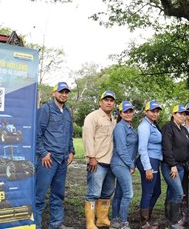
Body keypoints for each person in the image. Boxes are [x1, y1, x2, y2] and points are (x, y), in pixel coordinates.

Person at [35, 81, 75, 229]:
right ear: (54, 93)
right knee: (40, 195)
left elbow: (70, 134)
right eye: (61, 92)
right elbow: (37, 134)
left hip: (63, 160)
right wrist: (43, 153)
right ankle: (36, 225)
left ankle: (57, 224)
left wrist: (71, 151)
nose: (64, 95)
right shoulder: (46, 109)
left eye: (66, 92)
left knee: (58, 195)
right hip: (48, 161)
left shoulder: (67, 112)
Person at [82, 90, 117, 229]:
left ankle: (102, 219)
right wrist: (91, 157)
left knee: (107, 192)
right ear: (100, 102)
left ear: (114, 103)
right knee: (94, 193)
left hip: (110, 162)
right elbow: (88, 137)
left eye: (111, 100)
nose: (109, 102)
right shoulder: (92, 117)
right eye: (106, 100)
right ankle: (90, 223)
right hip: (97, 161)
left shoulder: (113, 119)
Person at [161, 105, 189, 229]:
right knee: (179, 193)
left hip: (182, 167)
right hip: (170, 166)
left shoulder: (184, 130)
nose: (182, 116)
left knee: (171, 192)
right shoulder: (168, 127)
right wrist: (172, 164)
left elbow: (188, 150)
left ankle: (168, 221)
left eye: (184, 114)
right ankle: (174, 222)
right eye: (179, 113)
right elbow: (167, 147)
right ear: (174, 114)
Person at [110, 101, 138, 229]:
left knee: (120, 193)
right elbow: (121, 149)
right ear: (120, 113)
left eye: (130, 111)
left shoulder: (129, 126)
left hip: (124, 164)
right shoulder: (120, 127)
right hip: (120, 164)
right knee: (129, 194)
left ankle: (114, 221)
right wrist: (131, 165)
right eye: (125, 112)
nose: (128, 114)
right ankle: (123, 222)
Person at [137, 100, 163, 229]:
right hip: (149, 161)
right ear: (146, 112)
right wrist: (148, 168)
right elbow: (142, 148)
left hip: (155, 160)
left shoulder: (153, 125)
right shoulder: (144, 126)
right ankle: (144, 222)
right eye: (152, 111)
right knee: (148, 192)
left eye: (157, 111)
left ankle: (148, 218)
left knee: (157, 191)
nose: (155, 113)